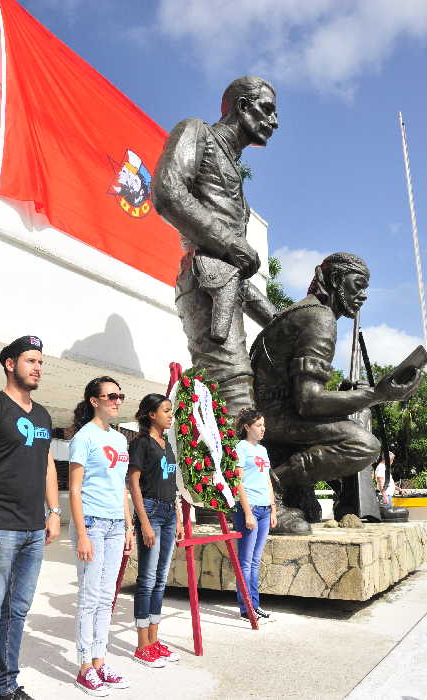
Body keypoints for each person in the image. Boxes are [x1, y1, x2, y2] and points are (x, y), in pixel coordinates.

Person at [250, 252, 421, 534]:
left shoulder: (305, 311)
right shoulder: (320, 318)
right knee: (363, 444)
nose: (363, 295)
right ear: (336, 281)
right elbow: (309, 402)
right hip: (276, 417)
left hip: (274, 410)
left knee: (358, 411)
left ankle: (357, 503)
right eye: (358, 285)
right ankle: (271, 484)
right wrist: (379, 393)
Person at [153, 76, 278, 415]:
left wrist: (279, 320)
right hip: (205, 280)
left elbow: (235, 267)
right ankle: (231, 468)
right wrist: (229, 242)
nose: (274, 122)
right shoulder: (197, 132)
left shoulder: (234, 168)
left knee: (248, 389)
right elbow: (168, 192)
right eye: (267, 110)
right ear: (242, 107)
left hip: (224, 282)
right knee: (233, 391)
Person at [0, 335, 60, 700]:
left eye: (40, 362)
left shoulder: (43, 414)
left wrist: (53, 512)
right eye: (30, 360)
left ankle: (5, 687)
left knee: (16, 612)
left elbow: (48, 464)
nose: (37, 368)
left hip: (34, 529)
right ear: (10, 363)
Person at [69, 377, 134, 696]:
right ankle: (84, 666)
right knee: (90, 597)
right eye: (111, 396)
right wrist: (81, 534)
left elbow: (122, 489)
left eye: (119, 396)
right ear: (94, 400)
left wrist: (128, 526)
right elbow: (75, 489)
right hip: (92, 524)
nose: (117, 400)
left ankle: (100, 660)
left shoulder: (120, 440)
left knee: (107, 599)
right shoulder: (84, 437)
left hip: (114, 526)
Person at [127, 394, 183, 668]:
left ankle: (154, 639)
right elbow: (133, 483)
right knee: (147, 579)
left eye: (171, 411)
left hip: (169, 512)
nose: (170, 415)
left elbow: (172, 484)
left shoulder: (168, 444)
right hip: (150, 511)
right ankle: (141, 645)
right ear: (151, 414)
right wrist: (144, 521)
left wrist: (180, 517)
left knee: (161, 579)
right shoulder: (141, 443)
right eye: (165, 411)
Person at [234, 408, 277, 621]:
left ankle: (255, 604)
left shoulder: (263, 450)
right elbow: (238, 482)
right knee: (245, 561)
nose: (262, 429)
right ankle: (246, 608)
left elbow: (267, 481)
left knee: (255, 560)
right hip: (248, 510)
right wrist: (248, 512)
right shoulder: (240, 448)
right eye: (258, 425)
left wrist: (273, 508)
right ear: (247, 427)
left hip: (264, 510)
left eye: (263, 426)